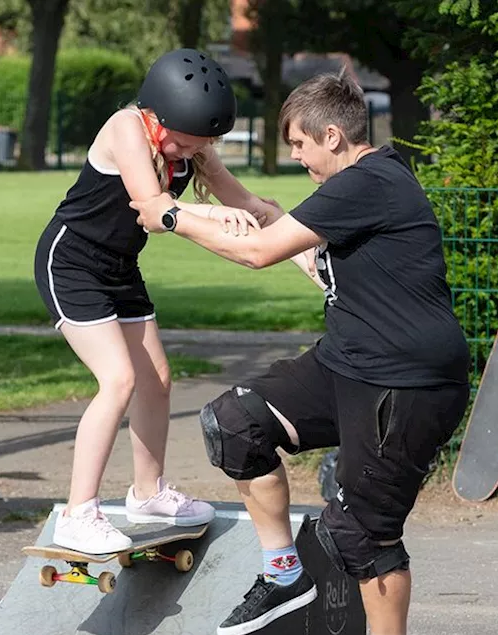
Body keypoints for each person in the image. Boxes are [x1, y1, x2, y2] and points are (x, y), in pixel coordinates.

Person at [131, 71, 470, 635]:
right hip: (346, 364)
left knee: (363, 534)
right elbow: (269, 219)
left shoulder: (369, 182)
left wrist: (169, 216)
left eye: (299, 145)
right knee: (234, 424)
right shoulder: (364, 181)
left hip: (406, 383)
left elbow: (259, 251)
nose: (295, 157)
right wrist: (212, 174)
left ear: (333, 136)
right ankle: (284, 574)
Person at [32, 48, 316, 555]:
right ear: (160, 117)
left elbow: (252, 206)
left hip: (119, 267)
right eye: (187, 142)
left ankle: (148, 493)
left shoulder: (193, 149)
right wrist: (211, 219)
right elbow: (151, 206)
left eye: (202, 145)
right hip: (70, 262)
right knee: (118, 380)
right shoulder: (126, 128)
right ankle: (79, 513)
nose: (192, 153)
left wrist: (312, 267)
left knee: (157, 381)